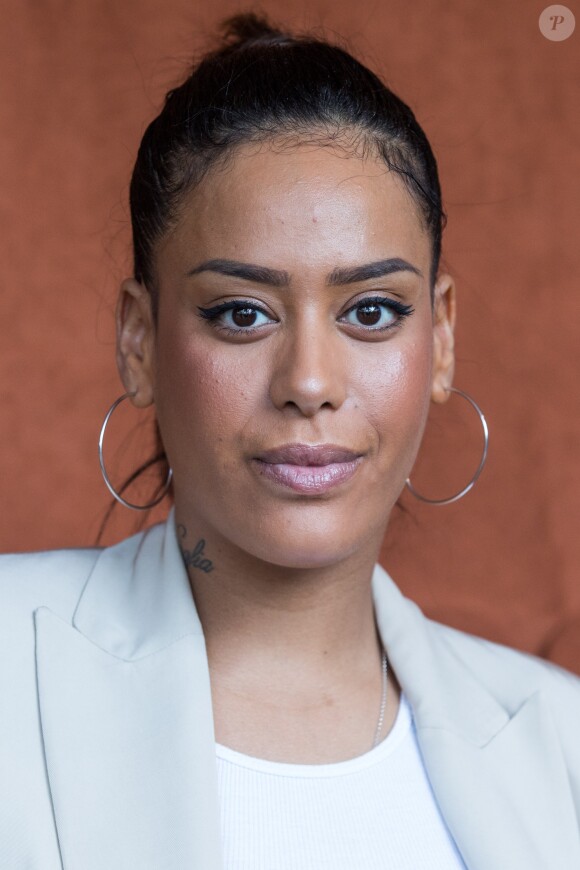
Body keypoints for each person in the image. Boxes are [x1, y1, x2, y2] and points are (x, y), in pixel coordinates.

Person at [1, 12, 579, 870]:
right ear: (139, 341)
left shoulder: (560, 743)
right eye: (242, 313)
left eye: (372, 311)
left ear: (443, 338)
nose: (309, 381)